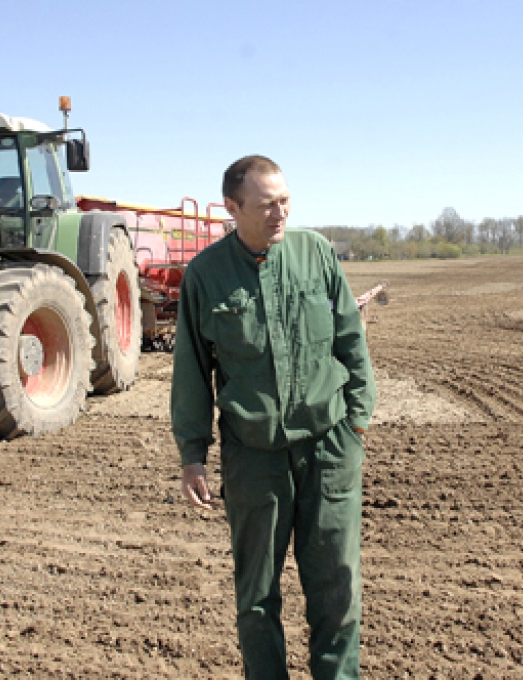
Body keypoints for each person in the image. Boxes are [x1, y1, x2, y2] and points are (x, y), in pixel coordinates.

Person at [171, 155, 376, 679]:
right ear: (232, 208)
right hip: (252, 457)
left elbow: (352, 341)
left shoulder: (316, 255)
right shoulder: (206, 274)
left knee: (337, 590)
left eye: (286, 201)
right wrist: (193, 455)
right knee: (257, 598)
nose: (280, 213)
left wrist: (355, 423)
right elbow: (193, 369)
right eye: (267, 205)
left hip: (328, 448)